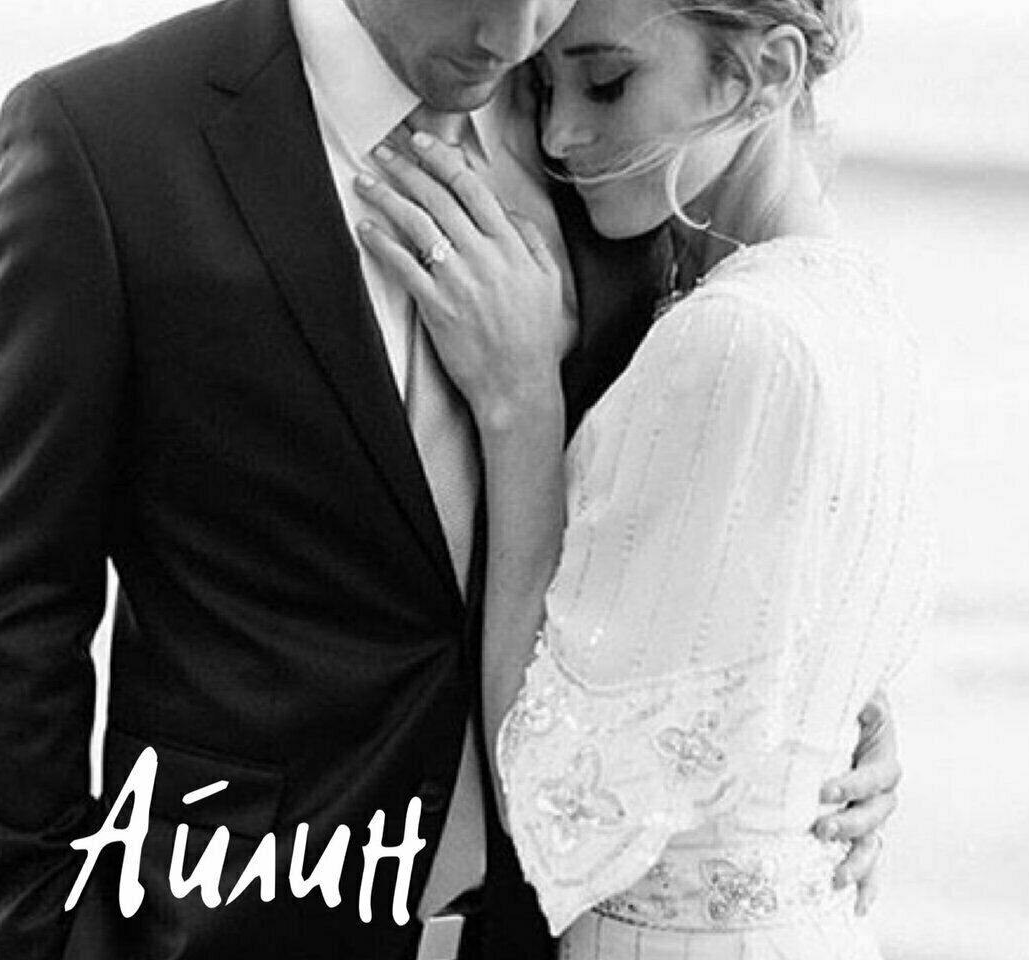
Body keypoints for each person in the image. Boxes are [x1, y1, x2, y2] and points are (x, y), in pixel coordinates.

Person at [0, 0, 903, 958]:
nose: (514, 38)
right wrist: (48, 938)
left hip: (552, 934)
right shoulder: (111, 141)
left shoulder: (610, 125)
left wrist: (824, 723)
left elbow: (720, 502)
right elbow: (11, 600)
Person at [354, 0, 934, 956]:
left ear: (764, 74)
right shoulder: (870, 316)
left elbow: (553, 800)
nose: (558, 134)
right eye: (544, 87)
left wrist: (520, 404)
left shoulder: (737, 337)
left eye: (608, 83)